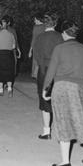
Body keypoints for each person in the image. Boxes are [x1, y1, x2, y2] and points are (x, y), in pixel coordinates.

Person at [42, 20, 83, 166]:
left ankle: (65, 162)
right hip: (82, 88)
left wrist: (45, 89)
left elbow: (51, 71)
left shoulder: (59, 48)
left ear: (64, 33)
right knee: (82, 121)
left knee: (63, 122)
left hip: (62, 88)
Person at [33, 12, 63, 140]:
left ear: (45, 24)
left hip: (44, 70)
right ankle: (62, 129)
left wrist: (42, 66)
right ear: (56, 24)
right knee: (60, 99)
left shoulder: (40, 37)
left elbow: (37, 55)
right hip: (59, 71)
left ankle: (47, 131)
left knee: (44, 100)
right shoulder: (60, 37)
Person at [0, 15, 19, 97]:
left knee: (0, 70)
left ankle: (1, 90)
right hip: (9, 54)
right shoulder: (11, 34)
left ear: (0, 25)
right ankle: (10, 89)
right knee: (9, 71)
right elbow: (13, 46)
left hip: (0, 54)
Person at [28, 12, 45, 79]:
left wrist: (30, 50)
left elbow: (34, 39)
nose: (34, 21)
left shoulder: (39, 27)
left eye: (35, 19)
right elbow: (34, 39)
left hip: (39, 47)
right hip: (40, 47)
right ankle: (39, 76)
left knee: (38, 62)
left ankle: (38, 76)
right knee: (39, 63)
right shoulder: (42, 26)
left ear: (38, 19)